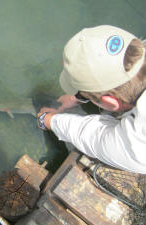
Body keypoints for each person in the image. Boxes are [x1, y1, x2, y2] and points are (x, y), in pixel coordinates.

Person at [37, 25, 146, 174]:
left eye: (82, 95)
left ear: (111, 102)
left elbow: (93, 136)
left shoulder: (138, 147)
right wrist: (78, 97)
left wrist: (47, 120)